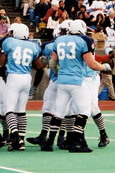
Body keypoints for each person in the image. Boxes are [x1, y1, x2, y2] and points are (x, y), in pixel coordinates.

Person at [41, 20, 110, 152]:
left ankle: (50, 142)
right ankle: (77, 141)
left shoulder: (60, 41)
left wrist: (58, 73)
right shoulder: (84, 41)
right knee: (83, 111)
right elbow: (91, 63)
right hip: (78, 79)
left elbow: (52, 63)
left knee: (61, 111)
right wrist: (104, 67)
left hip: (68, 80)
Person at [0, 23, 44, 151]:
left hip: (14, 76)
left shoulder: (9, 42)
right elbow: (39, 66)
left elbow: (2, 61)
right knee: (21, 110)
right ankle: (21, 141)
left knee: (8, 109)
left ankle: (15, 136)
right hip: (26, 77)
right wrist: (35, 85)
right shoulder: (34, 46)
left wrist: (0, 71)